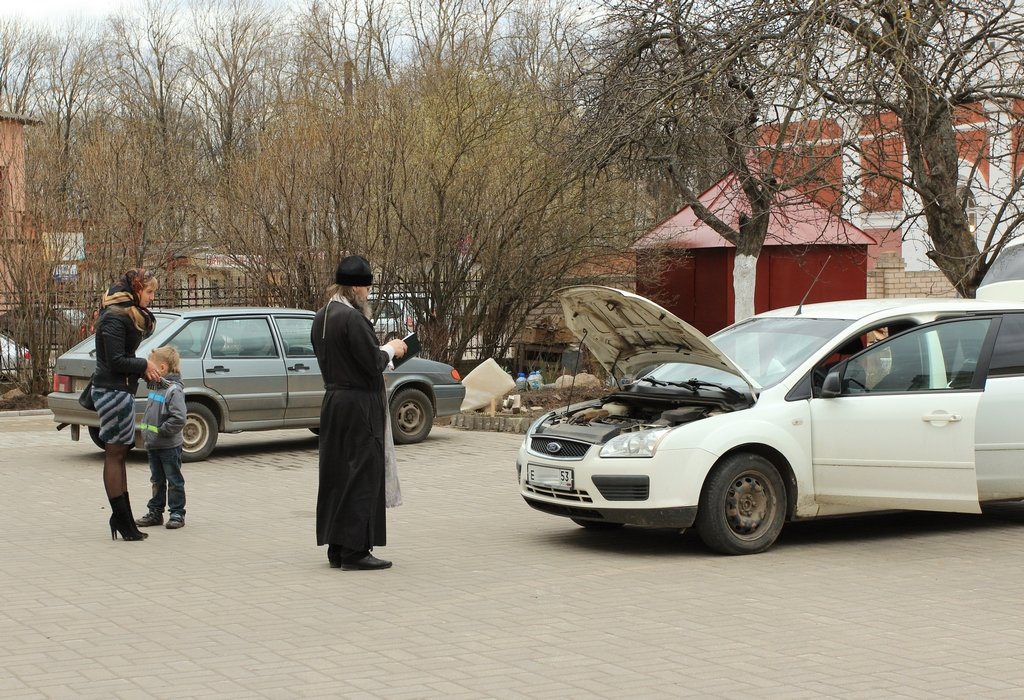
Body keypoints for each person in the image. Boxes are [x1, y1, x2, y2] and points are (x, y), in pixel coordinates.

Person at [311, 255, 407, 571]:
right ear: (355, 288)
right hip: (359, 405)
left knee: (338, 474)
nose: (367, 294)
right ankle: (355, 551)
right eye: (366, 288)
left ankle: (337, 547)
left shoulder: (323, 315)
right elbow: (371, 362)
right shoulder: (353, 319)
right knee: (362, 474)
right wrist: (392, 348)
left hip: (335, 402)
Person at [92, 269, 162, 541]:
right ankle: (121, 519)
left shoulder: (124, 313)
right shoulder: (113, 317)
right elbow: (115, 361)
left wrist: (141, 368)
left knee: (119, 454)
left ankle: (123, 519)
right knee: (115, 454)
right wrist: (143, 364)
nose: (152, 298)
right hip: (111, 391)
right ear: (135, 289)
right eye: (149, 292)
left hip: (119, 389)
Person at [135, 346, 188, 530]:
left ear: (163, 368)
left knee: (174, 480)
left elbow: (179, 418)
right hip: (154, 444)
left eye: (151, 367)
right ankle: (155, 512)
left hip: (168, 445)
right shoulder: (156, 387)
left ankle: (177, 513)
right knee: (156, 480)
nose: (148, 371)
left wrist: (162, 431)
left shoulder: (173, 390)